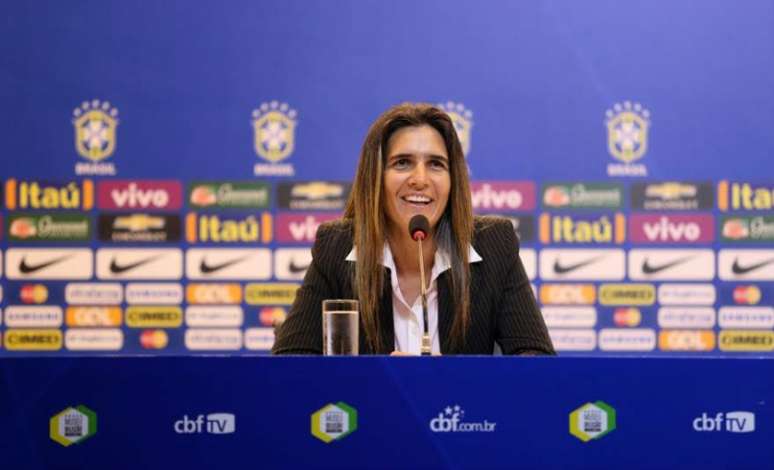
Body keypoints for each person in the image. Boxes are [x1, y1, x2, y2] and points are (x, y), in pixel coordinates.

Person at [272, 103, 554, 355]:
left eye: (436, 164)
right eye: (402, 163)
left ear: (452, 179)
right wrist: (385, 382)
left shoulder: (493, 245)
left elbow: (537, 362)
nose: (420, 179)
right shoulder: (336, 247)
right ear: (375, 179)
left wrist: (448, 381)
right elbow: (291, 362)